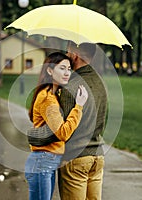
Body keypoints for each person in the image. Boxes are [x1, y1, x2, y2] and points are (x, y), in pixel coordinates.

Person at [28, 42, 108, 200]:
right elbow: (102, 119)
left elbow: (62, 131)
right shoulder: (101, 82)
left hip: (76, 158)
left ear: (75, 56)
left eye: (68, 52)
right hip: (97, 156)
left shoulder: (71, 86)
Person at [25, 52, 88, 200]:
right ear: (50, 70)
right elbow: (63, 133)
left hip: (44, 159)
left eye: (69, 69)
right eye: (62, 68)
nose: (67, 73)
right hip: (44, 160)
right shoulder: (48, 99)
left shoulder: (50, 94)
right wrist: (78, 106)